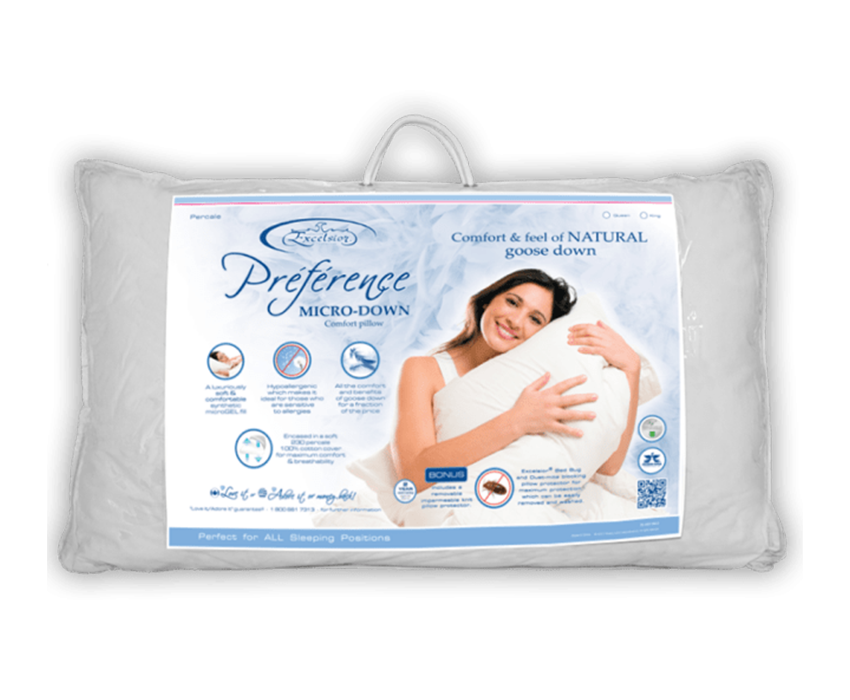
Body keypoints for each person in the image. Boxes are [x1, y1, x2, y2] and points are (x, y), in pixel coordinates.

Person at [391, 269, 641, 493]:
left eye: (535, 319)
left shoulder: (541, 385)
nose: (516, 321)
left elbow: (607, 467)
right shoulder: (424, 370)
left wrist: (632, 368)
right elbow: (414, 477)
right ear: (487, 300)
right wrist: (516, 422)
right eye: (512, 302)